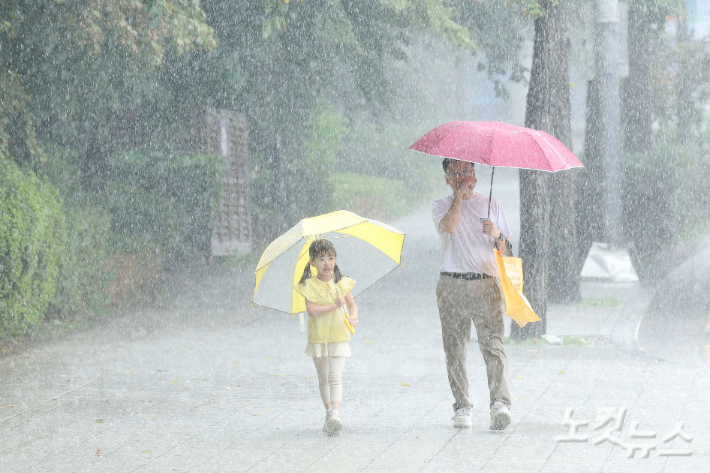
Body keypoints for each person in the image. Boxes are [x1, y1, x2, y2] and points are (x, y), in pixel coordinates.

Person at [431, 158, 513, 430]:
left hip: (485, 284)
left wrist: (496, 233)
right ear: (446, 179)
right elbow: (449, 227)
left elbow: (507, 249)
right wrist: (459, 196)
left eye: (467, 170)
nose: (462, 176)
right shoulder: (440, 205)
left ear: (475, 175)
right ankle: (462, 405)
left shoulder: (493, 204)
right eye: (455, 173)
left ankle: (500, 403)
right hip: (451, 284)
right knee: (455, 349)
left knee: (493, 345)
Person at [294, 239, 358, 436]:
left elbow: (352, 305)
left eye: (330, 258)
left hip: (339, 334)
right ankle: (329, 411)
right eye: (321, 259)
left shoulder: (341, 282)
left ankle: (336, 415)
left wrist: (353, 317)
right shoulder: (309, 285)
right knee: (323, 378)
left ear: (335, 259)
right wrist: (334, 306)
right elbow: (312, 311)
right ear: (312, 262)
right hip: (319, 337)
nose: (327, 263)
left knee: (335, 376)